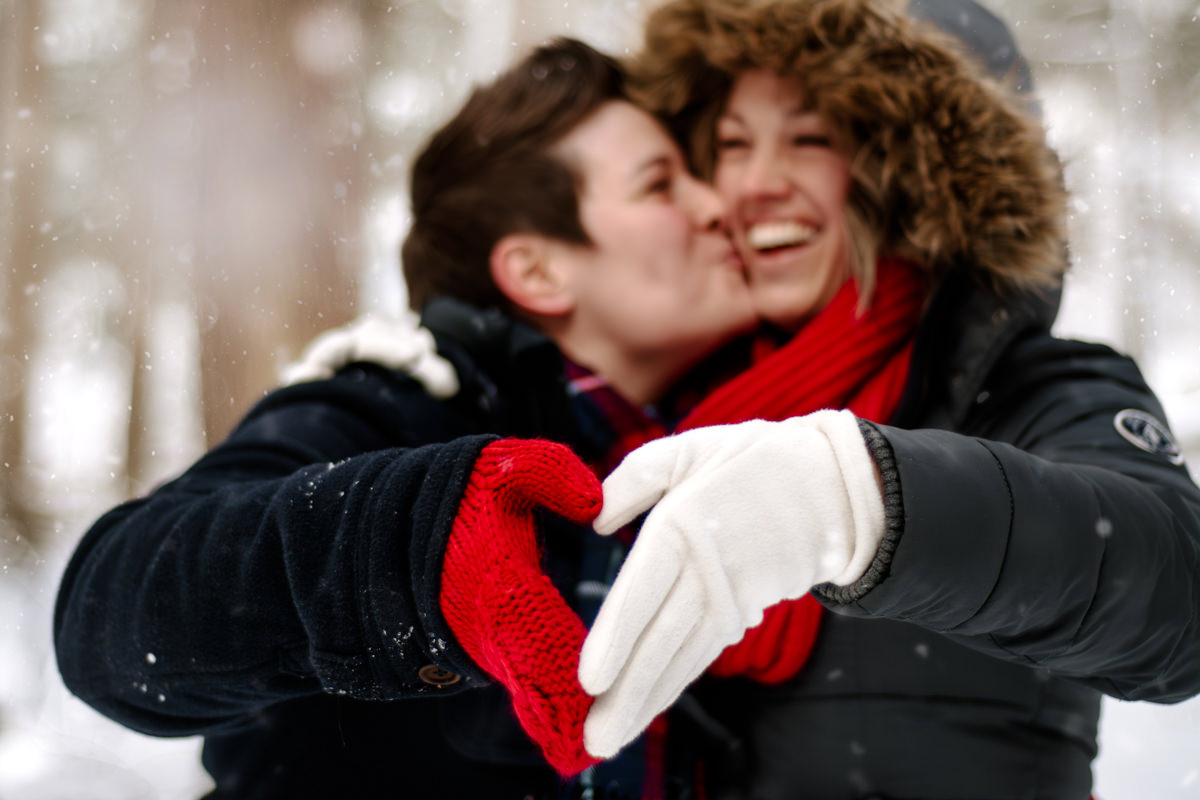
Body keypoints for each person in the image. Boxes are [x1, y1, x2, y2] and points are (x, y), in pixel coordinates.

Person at [53, 37, 757, 799]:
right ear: (538, 271)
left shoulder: (715, 446)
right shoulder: (398, 401)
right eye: (661, 185)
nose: (717, 207)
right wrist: (413, 546)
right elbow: (111, 611)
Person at [576, 1, 1200, 797]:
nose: (756, 183)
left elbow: (1178, 599)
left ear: (914, 174)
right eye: (731, 144)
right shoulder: (667, 395)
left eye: (810, 138)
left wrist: (861, 497)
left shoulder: (1033, 387)